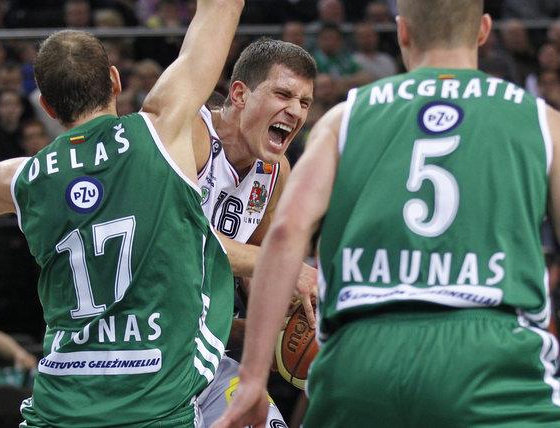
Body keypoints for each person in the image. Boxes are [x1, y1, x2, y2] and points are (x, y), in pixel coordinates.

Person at [215, 0, 560, 426]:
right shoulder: (541, 121)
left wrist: (252, 377)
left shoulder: (345, 118)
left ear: (402, 33)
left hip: (362, 349)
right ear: (484, 31)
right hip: (491, 349)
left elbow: (285, 236)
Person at [0, 0, 242, 424]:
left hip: (61, 406)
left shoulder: (24, 177)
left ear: (47, 106)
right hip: (155, 406)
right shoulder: (160, 130)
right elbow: (222, 7)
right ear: (115, 80)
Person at [192, 38, 317, 426]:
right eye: (283, 94)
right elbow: (177, 242)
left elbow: (253, 270)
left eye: (305, 102)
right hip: (144, 348)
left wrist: (282, 326)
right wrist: (285, 266)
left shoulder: (275, 171)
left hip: (206, 355)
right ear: (239, 94)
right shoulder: (191, 136)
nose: (295, 110)